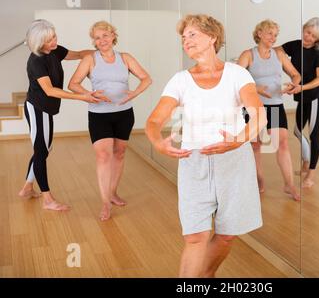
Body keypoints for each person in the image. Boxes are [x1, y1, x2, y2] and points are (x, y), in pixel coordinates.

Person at [146, 14, 267, 277]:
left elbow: (259, 115)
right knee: (195, 236)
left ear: (212, 37)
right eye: (183, 37)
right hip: (194, 162)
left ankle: (206, 275)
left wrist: (236, 141)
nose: (186, 41)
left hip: (234, 161)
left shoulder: (237, 74)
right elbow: (154, 121)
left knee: (226, 235)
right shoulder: (180, 80)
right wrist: (158, 143)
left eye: (192, 35)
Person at [68, 21, 151, 221]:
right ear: (94, 41)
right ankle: (105, 202)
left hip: (124, 113)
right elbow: (73, 84)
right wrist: (89, 94)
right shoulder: (90, 59)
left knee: (120, 153)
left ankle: (112, 192)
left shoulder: (125, 58)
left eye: (105, 35)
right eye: (97, 38)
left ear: (113, 35)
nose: (102, 40)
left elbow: (146, 78)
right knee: (103, 156)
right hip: (99, 114)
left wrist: (134, 94)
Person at [18, 19, 101, 211]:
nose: (54, 41)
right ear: (39, 43)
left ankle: (27, 188)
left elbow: (80, 54)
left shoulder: (54, 50)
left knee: (45, 148)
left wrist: (102, 50)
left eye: (54, 36)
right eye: (48, 39)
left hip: (46, 109)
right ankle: (48, 200)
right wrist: (82, 96)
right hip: (38, 108)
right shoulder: (36, 61)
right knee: (41, 151)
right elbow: (50, 91)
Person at [238, 19, 301, 201]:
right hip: (253, 106)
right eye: (269, 34)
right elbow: (234, 78)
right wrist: (256, 89)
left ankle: (289, 184)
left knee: (281, 143)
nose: (273, 38)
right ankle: (259, 180)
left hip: (275, 104)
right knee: (256, 144)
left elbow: (296, 74)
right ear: (259, 34)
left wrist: (293, 85)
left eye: (275, 35)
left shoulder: (279, 55)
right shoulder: (248, 55)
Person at [278, 17, 319, 188]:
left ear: (317, 39)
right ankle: (306, 162)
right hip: (301, 95)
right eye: (307, 32)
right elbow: (275, 51)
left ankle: (311, 174)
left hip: (315, 96)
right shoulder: (294, 45)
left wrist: (301, 87)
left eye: (313, 36)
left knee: (314, 134)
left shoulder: (317, 53)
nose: (308, 37)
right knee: (297, 131)